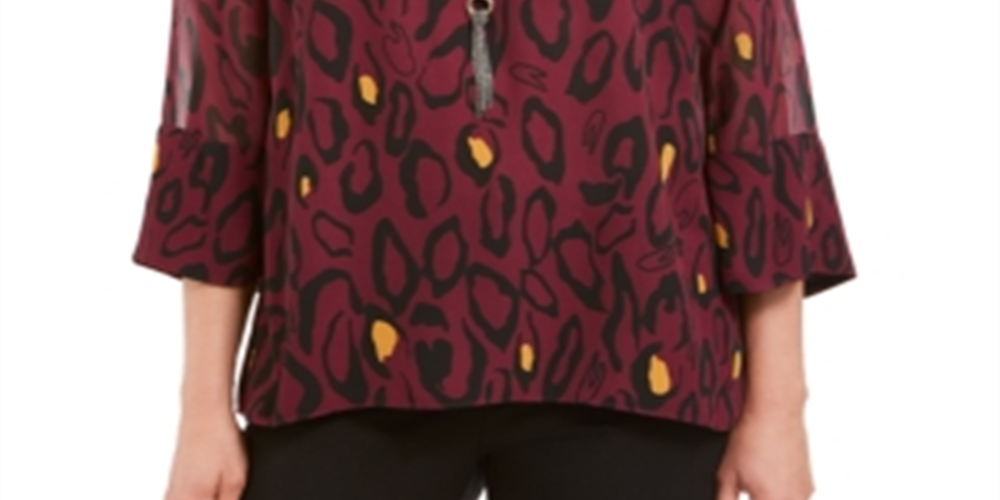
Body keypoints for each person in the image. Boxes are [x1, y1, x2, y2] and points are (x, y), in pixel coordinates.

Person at [132, 0, 857, 499]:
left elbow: (757, 113)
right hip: (336, 358)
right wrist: (201, 410)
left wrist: (779, 408)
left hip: (637, 354)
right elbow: (222, 122)